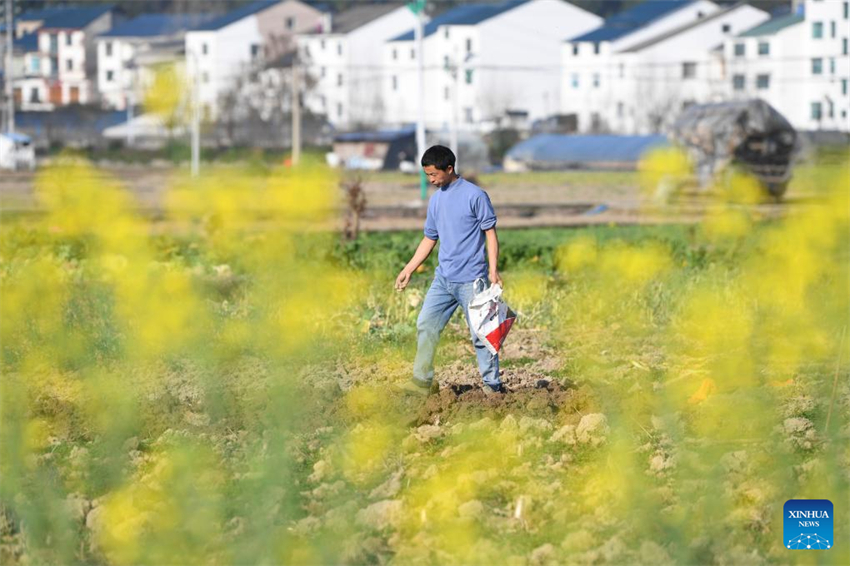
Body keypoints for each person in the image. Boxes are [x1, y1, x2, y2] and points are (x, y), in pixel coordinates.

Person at [394, 145, 504, 396]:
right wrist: (409, 268)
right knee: (426, 324)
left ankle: (492, 386)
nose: (431, 180)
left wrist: (493, 270)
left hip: (472, 280)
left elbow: (490, 233)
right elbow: (429, 238)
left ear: (449, 168)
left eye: (433, 175)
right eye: (427, 176)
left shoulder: (475, 196)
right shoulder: (436, 200)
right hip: (443, 279)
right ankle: (422, 381)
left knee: (481, 334)